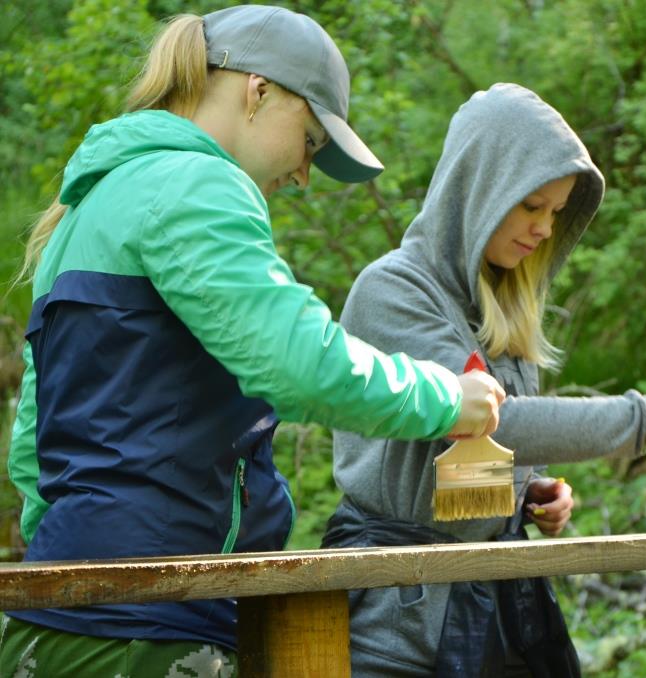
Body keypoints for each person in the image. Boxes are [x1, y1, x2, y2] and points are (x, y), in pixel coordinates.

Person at [0, 6, 505, 677]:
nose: (302, 174)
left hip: (53, 623)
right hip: (154, 627)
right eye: (312, 140)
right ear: (258, 90)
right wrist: (450, 398)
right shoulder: (201, 185)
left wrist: (75, 569)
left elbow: (33, 446)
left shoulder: (85, 210)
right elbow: (299, 364)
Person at [324, 83, 646, 677]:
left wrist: (529, 489)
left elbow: (488, 452)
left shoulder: (504, 310)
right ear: (481, 189)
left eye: (556, 213)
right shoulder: (394, 293)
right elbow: (493, 420)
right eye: (531, 205)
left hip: (493, 617)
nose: (544, 228)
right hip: (395, 628)